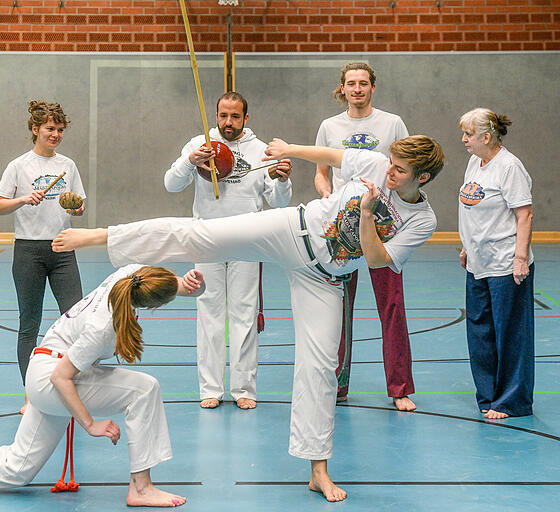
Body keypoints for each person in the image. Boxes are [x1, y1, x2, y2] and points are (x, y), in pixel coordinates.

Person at [52, 135, 445, 502]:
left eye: (400, 171)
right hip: (294, 228)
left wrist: (364, 214)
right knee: (203, 235)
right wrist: (289, 147)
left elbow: (377, 260)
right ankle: (103, 235)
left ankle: (318, 470)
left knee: (321, 366)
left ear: (421, 178)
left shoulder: (422, 220)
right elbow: (332, 156)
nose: (389, 172)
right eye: (391, 164)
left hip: (325, 278)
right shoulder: (377, 164)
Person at [0, 264, 204, 508]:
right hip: (52, 378)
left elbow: (163, 284)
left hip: (43, 369)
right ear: (151, 305)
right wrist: (90, 424)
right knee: (145, 389)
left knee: (17, 469)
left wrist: (186, 283)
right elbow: (61, 377)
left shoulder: (130, 275)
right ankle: (141, 487)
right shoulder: (104, 328)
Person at [164, 91, 292, 410]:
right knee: (209, 312)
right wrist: (189, 161)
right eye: (223, 116)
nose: (228, 122)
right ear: (216, 115)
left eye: (235, 116)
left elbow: (278, 202)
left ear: (246, 119)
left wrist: (282, 181)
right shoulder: (199, 144)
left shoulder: (261, 151)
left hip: (248, 240)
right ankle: (210, 387)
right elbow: (170, 184)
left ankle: (244, 388)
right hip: (206, 238)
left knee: (244, 313)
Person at [314, 62, 416, 411]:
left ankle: (399, 388)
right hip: (343, 230)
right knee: (338, 310)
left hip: (383, 228)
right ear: (341, 88)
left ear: (373, 87)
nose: (357, 89)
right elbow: (321, 173)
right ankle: (337, 384)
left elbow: (407, 170)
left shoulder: (393, 124)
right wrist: (327, 197)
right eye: (350, 84)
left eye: (363, 83)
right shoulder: (329, 126)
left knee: (391, 307)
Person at [0, 101, 86, 414]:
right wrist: (22, 199)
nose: (56, 134)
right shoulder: (18, 166)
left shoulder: (68, 165)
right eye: (50, 129)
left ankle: (73, 387)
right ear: (35, 130)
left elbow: (79, 206)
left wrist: (76, 206)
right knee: (28, 325)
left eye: (60, 130)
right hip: (29, 251)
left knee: (76, 320)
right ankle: (31, 395)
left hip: (62, 248)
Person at [458, 108, 534, 420]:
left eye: (468, 134)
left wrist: (520, 258)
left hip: (505, 265)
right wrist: (466, 245)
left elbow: (524, 215)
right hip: (478, 263)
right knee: (480, 332)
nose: (464, 140)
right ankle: (488, 396)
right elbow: (471, 206)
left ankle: (512, 401)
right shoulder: (475, 161)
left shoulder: (509, 166)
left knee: (510, 334)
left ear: (486, 137)